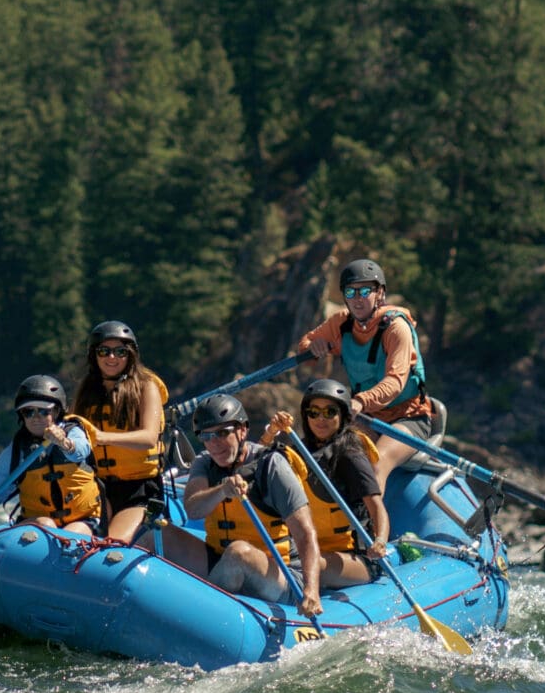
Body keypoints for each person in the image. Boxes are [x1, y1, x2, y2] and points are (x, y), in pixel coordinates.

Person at [177, 395, 332, 615]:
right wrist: (221, 490)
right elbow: (193, 509)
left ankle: (196, 615)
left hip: (282, 573)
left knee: (238, 553)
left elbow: (305, 533)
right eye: (206, 436)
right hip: (221, 559)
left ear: (242, 430)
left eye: (222, 433)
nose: (214, 443)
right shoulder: (204, 462)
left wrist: (311, 591)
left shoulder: (271, 465)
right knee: (156, 536)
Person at [261, 377, 383, 589]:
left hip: (355, 558)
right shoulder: (299, 450)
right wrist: (271, 433)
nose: (320, 419)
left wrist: (380, 540)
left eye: (329, 412)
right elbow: (256, 464)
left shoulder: (351, 455)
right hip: (310, 550)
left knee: (310, 565)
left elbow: (377, 507)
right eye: (314, 412)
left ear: (343, 415)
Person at [294, 257, 438, 434]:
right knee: (328, 453)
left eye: (364, 291)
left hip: (408, 415)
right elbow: (305, 345)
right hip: (367, 415)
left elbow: (395, 382)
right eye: (350, 292)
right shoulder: (342, 322)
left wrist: (360, 401)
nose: (357, 299)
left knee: (376, 463)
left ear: (379, 293)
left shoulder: (396, 327)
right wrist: (313, 346)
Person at [70, 319, 169, 544]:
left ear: (130, 354)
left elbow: (149, 437)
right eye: (104, 351)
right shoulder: (87, 392)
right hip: (96, 487)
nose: (111, 358)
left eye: (120, 352)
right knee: (72, 538)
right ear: (94, 355)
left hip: (139, 489)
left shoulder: (146, 387)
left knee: (113, 541)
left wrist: (102, 437)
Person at [4, 372, 100, 533]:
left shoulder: (74, 433)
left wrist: (63, 442)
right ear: (22, 415)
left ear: (56, 412)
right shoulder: (16, 450)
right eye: (28, 412)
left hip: (83, 521)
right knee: (45, 525)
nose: (35, 418)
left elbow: (81, 451)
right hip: (37, 522)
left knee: (72, 533)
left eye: (43, 411)